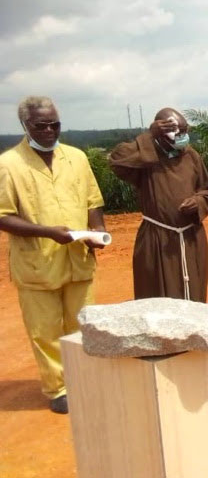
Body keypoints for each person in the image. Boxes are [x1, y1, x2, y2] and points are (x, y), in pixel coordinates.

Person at [0, 96, 106, 414]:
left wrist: (96, 232)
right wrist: (48, 232)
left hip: (78, 256)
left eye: (54, 124)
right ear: (25, 125)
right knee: (45, 329)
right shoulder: (8, 164)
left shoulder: (76, 157)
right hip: (37, 261)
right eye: (41, 125)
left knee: (83, 323)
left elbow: (92, 200)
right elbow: (3, 215)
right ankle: (58, 388)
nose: (49, 130)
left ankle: (85, 379)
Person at [109, 108, 208, 302]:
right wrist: (149, 136)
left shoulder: (191, 156)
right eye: (178, 132)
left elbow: (207, 190)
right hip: (157, 238)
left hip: (191, 236)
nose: (183, 137)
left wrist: (198, 202)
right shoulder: (146, 158)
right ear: (161, 132)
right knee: (157, 296)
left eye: (185, 132)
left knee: (194, 294)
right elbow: (116, 159)